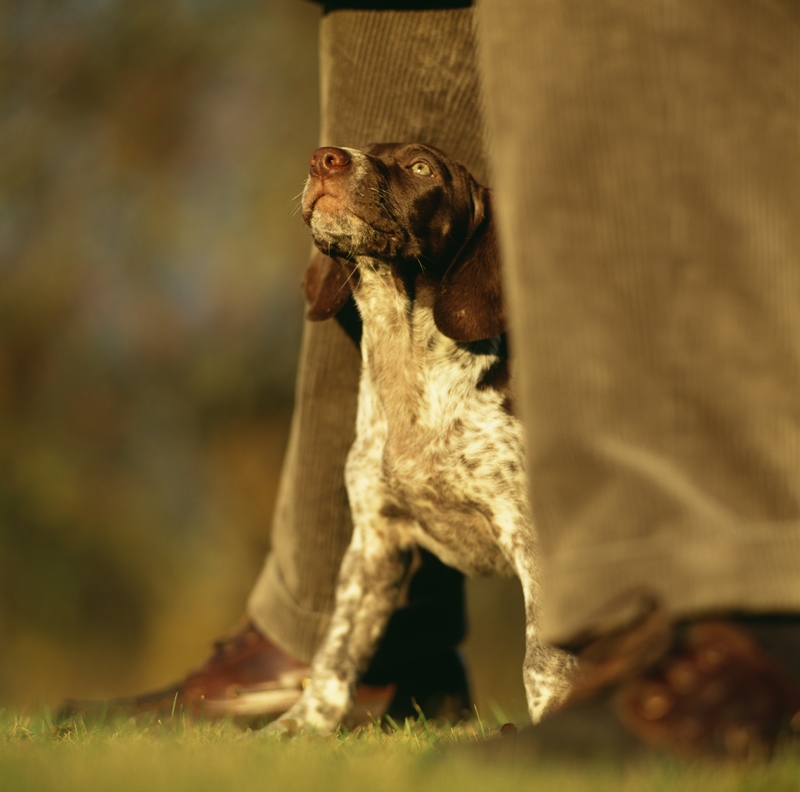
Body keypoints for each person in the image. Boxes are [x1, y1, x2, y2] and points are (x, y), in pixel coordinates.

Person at [65, 0, 800, 758]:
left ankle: (738, 614)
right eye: (341, 163)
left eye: (419, 169)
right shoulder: (366, 378)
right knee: (385, 30)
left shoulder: (493, 385)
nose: (337, 162)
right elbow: (374, 550)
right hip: (402, 406)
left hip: (515, 399)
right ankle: (335, 651)